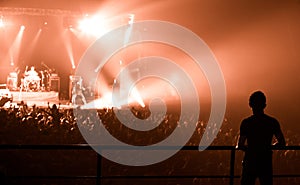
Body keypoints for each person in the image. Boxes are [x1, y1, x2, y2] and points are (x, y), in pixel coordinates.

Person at [237, 91, 286, 185]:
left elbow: (240, 144)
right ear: (264, 105)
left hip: (250, 161)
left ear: (250, 105)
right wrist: (269, 146)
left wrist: (250, 149)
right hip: (265, 161)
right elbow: (282, 142)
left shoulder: (246, 123)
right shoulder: (272, 122)